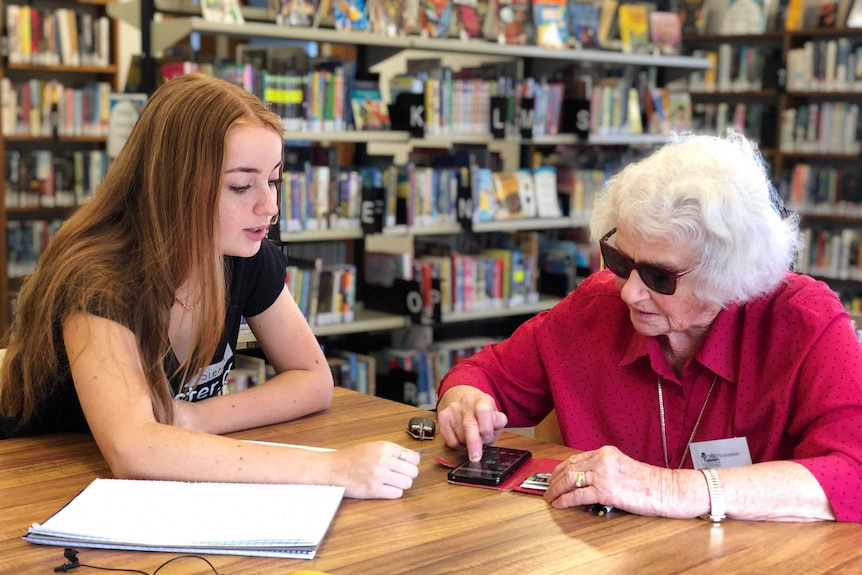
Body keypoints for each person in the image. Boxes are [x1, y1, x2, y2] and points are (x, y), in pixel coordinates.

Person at [0, 74, 419, 499]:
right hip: (42, 487)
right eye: (241, 185)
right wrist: (331, 468)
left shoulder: (243, 255)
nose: (269, 206)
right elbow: (134, 447)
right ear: (175, 185)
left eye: (273, 181)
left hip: (151, 493)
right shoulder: (99, 277)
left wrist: (198, 419)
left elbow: (312, 380)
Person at [437, 131, 862, 523]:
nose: (629, 293)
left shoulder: (805, 322)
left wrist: (669, 489)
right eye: (621, 261)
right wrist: (465, 400)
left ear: (727, 276)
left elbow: (854, 476)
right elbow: (485, 375)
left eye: (659, 277)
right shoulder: (596, 306)